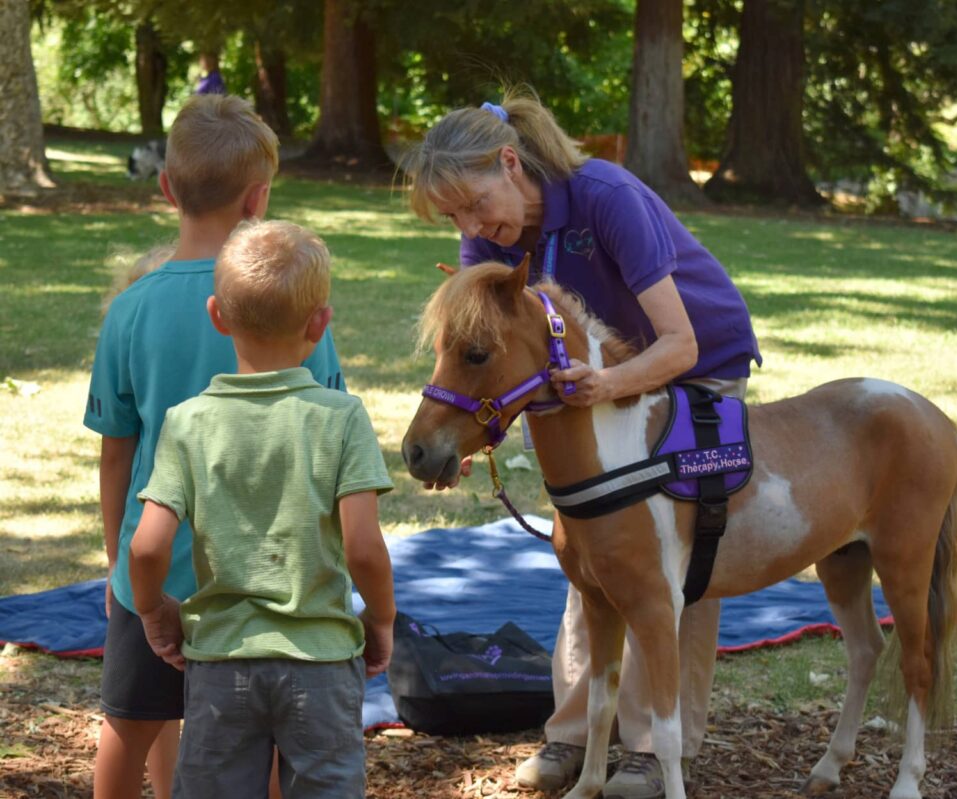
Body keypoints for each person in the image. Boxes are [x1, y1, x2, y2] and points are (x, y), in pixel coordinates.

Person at [402, 87, 761, 799]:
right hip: (593, 375)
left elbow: (680, 341)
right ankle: (574, 735)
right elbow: (493, 353)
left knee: (671, 554)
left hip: (692, 362)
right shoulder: (489, 242)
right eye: (455, 217)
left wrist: (610, 382)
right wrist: (467, 432)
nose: (472, 227)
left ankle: (659, 746)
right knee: (589, 546)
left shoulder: (604, 194)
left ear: (511, 162)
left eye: (476, 204)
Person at [84, 94, 346, 799]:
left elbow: (117, 450)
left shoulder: (131, 309)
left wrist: (118, 565)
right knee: (258, 740)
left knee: (128, 723)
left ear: (167, 188)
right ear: (258, 199)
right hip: (261, 581)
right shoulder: (299, 313)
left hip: (154, 573)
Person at [129, 220, 395, 798]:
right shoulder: (342, 418)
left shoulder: (188, 422)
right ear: (320, 323)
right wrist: (380, 618)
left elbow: (146, 546)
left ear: (217, 315)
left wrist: (153, 610)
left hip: (222, 661)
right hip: (321, 663)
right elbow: (364, 548)